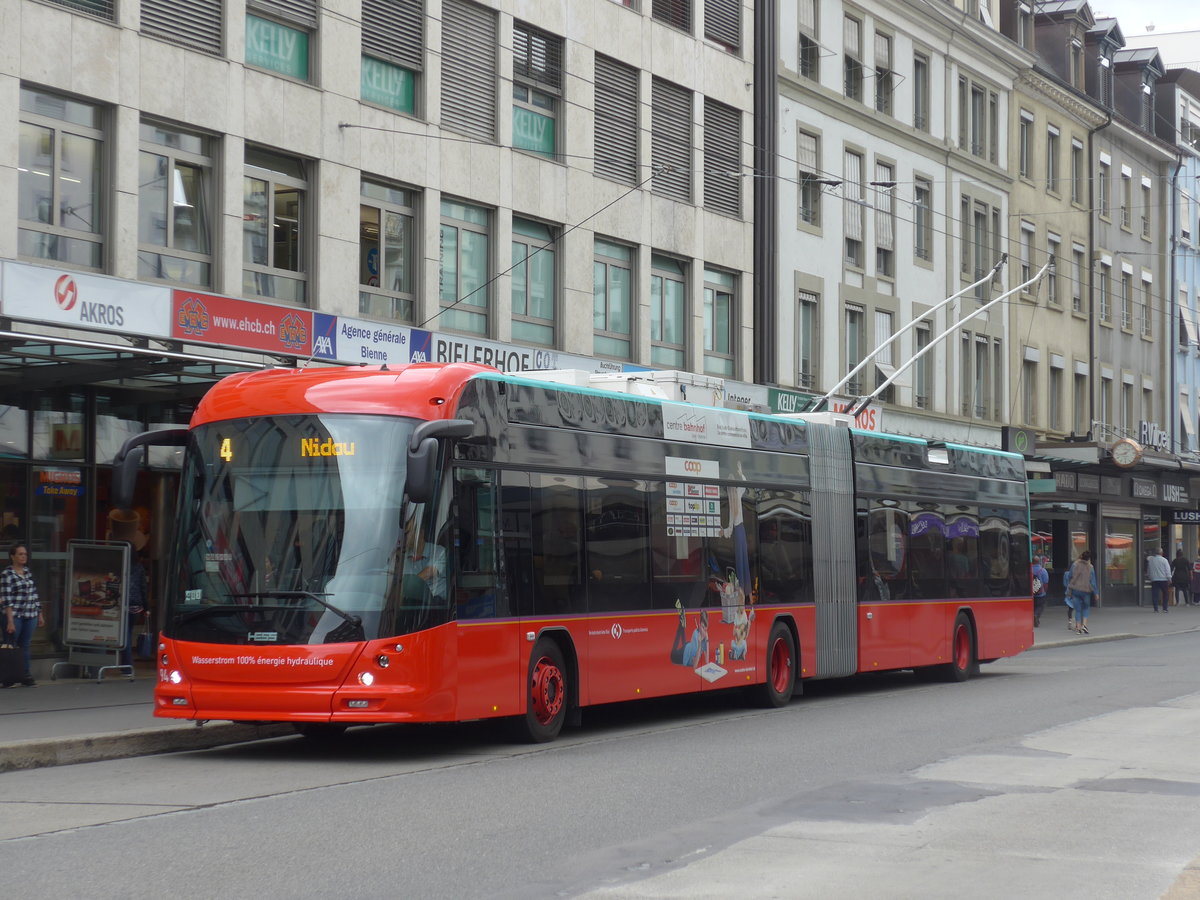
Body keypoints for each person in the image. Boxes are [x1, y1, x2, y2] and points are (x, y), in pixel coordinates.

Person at [1, 543, 43, 687]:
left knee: (25, 645)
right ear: (12, 556)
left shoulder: (27, 572)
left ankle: (25, 674)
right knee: (11, 645)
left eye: (25, 554)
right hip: (14, 615)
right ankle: (8, 676)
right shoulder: (7, 574)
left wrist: (40, 613)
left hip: (30, 614)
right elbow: (6, 599)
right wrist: (10, 621)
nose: (24, 556)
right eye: (20, 554)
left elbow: (34, 594)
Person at [122, 552, 148, 669]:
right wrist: (146, 607)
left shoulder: (121, 565)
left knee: (125, 635)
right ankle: (126, 664)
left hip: (122, 603)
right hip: (136, 605)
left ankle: (127, 666)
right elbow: (143, 587)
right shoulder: (139, 567)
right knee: (128, 632)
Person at [1066, 550, 1098, 635]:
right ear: (1088, 558)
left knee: (1077, 610)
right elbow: (1093, 582)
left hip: (1076, 590)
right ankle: (1085, 625)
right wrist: (1096, 593)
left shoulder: (1075, 565)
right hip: (1086, 590)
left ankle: (1078, 628)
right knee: (1086, 608)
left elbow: (1069, 576)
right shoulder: (1090, 567)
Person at [1146, 546, 1172, 613]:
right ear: (1161, 553)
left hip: (1154, 579)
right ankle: (1165, 608)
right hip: (1163, 579)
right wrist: (1169, 578)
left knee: (1155, 594)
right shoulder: (1164, 560)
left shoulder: (1151, 560)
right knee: (1165, 594)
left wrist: (1150, 577)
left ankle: (1156, 609)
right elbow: (1167, 570)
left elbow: (1149, 570)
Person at [1031, 555, 1049, 628]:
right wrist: (1044, 592)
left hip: (1031, 593)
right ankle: (1036, 616)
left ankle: (1034, 618)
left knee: (1033, 606)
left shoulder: (1029, 569)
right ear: (1039, 561)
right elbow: (1045, 583)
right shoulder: (1043, 570)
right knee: (1040, 606)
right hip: (1040, 593)